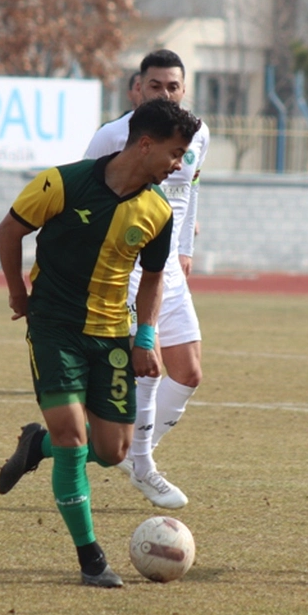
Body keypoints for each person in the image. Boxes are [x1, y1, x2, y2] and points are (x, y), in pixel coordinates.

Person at [0, 98, 202, 587]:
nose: (179, 166)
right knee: (72, 438)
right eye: (175, 153)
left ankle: (34, 445)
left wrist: (145, 338)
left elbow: (153, 280)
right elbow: (9, 231)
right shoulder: (62, 182)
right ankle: (91, 560)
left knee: (111, 451)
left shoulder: (157, 211)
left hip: (111, 335)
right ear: (145, 144)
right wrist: (16, 292)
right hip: (54, 326)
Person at [84, 48, 209, 509]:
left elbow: (192, 189)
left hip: (169, 266)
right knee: (149, 362)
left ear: (183, 90)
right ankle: (143, 467)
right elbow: (86, 189)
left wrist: (186, 250)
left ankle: (135, 452)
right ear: (137, 88)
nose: (164, 93)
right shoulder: (112, 136)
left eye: (172, 86)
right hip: (128, 268)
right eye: (154, 86)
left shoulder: (199, 133)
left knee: (190, 372)